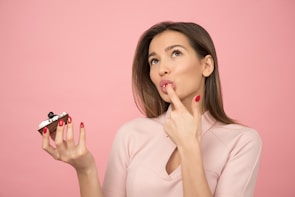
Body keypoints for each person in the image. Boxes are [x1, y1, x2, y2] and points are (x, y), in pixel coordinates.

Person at [41, 21, 262, 197]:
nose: (161, 69)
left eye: (175, 53)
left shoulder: (242, 141)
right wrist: (85, 169)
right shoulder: (132, 134)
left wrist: (189, 146)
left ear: (206, 66)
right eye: (154, 61)